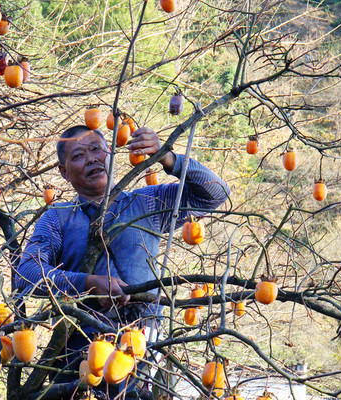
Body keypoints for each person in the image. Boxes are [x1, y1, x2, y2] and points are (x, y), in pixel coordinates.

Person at [14, 124, 230, 397]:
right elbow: (27, 274)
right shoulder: (58, 218)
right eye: (78, 155)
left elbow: (215, 194)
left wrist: (168, 157)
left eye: (96, 149)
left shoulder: (148, 203)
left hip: (143, 348)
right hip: (79, 353)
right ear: (64, 172)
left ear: (110, 153)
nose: (91, 159)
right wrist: (86, 283)